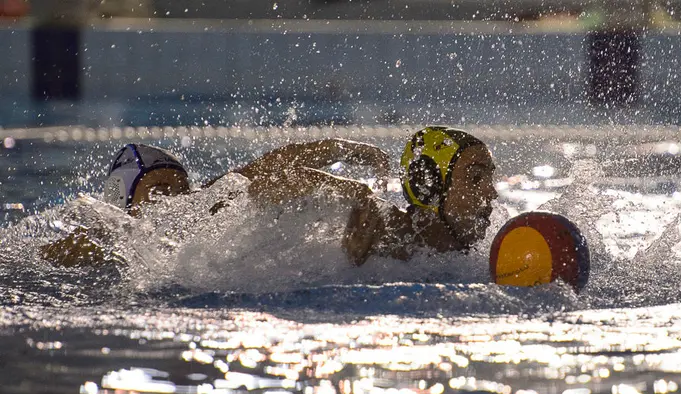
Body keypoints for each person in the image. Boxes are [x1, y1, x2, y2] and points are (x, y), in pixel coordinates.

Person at [40, 126, 497, 268]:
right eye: (156, 193)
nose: (170, 201)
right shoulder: (160, 232)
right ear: (125, 205)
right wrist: (351, 191)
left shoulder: (206, 199)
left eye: (177, 187)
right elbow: (265, 182)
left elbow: (267, 168)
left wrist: (341, 149)